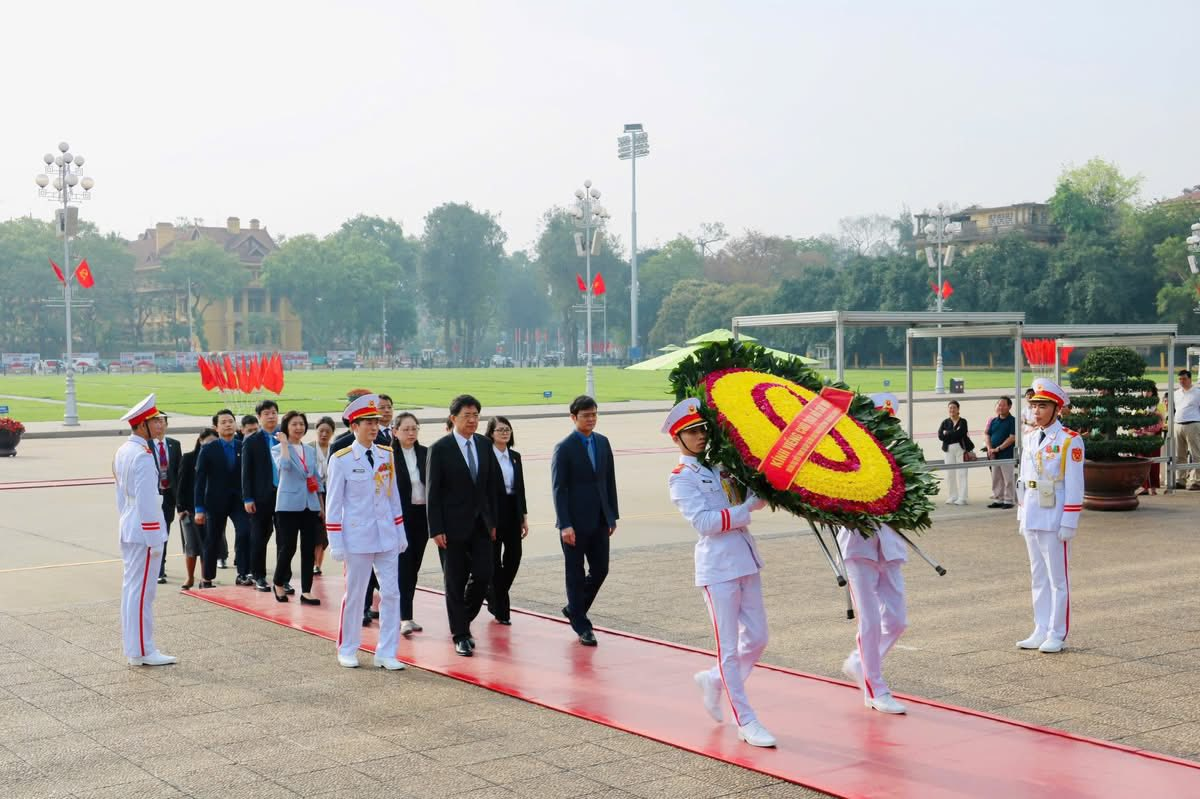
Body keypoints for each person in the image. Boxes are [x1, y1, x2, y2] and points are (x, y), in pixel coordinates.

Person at [663, 400, 775, 748]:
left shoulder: (721, 467)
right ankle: (746, 719)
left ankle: (714, 680)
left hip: (745, 558)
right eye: (692, 432)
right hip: (718, 568)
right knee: (727, 648)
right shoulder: (681, 478)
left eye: (702, 429)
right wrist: (745, 509)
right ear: (677, 438)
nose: (700, 436)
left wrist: (760, 492)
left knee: (758, 638)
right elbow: (705, 523)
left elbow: (742, 497)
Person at [325, 394, 408, 670]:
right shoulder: (342, 459)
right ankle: (347, 647)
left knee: (392, 593)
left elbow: (392, 496)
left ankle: (387, 651)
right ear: (354, 426)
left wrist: (400, 532)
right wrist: (335, 542)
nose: (374, 427)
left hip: (386, 535)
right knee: (356, 595)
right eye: (367, 422)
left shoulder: (387, 454)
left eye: (375, 421)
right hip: (357, 537)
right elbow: (334, 505)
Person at [426, 394, 501, 657]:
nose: (473, 420)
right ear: (453, 418)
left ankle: (462, 619)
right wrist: (435, 529)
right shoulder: (440, 448)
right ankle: (461, 634)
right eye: (467, 415)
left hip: (481, 525)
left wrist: (492, 522)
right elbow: (433, 493)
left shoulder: (483, 444)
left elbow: (490, 487)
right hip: (451, 527)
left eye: (476, 415)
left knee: (483, 575)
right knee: (454, 581)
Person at [1015, 378, 1084, 654]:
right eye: (1033, 406)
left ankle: (1057, 632)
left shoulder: (1069, 440)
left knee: (1058, 579)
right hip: (1032, 511)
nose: (1036, 411)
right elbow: (1023, 479)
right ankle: (1040, 628)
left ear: (1057, 409)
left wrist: (1070, 519)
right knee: (1038, 576)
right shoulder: (1031, 438)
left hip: (1055, 514)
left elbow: (1075, 484)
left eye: (1042, 406)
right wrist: (1021, 515)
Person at [551, 395, 619, 647]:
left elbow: (609, 480)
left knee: (601, 569)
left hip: (601, 519)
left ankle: (574, 608)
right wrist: (564, 524)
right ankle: (582, 625)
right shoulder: (564, 447)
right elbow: (559, 489)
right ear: (573, 418)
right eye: (585, 415)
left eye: (594, 414)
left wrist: (612, 514)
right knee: (575, 573)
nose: (591, 419)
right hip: (575, 523)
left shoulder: (602, 443)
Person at [114, 394, 175, 666]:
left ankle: (135, 648)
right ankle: (142, 650)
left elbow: (120, 496)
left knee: (132, 591)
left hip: (129, 525)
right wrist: (155, 538)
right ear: (142, 426)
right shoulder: (142, 455)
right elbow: (148, 502)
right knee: (142, 594)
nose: (159, 425)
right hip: (143, 531)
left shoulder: (124, 450)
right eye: (154, 421)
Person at [838, 523, 909, 715]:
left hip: (889, 546)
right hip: (857, 547)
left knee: (897, 622)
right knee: (870, 621)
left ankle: (859, 662)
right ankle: (875, 690)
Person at [194, 409, 251, 588]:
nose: (228, 424)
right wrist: (199, 509)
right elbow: (200, 481)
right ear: (216, 427)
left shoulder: (243, 446)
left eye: (230, 421)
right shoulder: (208, 449)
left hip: (239, 501)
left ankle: (242, 573)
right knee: (213, 539)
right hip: (215, 502)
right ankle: (207, 578)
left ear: (236, 425)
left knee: (244, 532)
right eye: (223, 422)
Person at [272, 411, 323, 605]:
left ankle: (307, 590)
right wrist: (285, 444)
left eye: (301, 424)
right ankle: (278, 582)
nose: (299, 428)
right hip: (288, 505)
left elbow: (316, 478)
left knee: (308, 547)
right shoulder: (278, 449)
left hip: (309, 504)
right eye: (294, 424)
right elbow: (284, 467)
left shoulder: (309, 450)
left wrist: (320, 504)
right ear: (287, 427)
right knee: (288, 547)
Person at [485, 415, 528, 625]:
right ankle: (501, 610)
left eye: (507, 429)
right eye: (500, 430)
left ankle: (493, 595)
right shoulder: (486, 456)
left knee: (514, 557)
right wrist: (488, 521)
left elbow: (520, 489)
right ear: (491, 434)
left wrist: (523, 517)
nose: (504, 433)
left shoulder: (515, 456)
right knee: (494, 562)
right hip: (494, 513)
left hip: (512, 511)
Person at [393, 412, 429, 636]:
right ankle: (404, 616)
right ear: (395, 431)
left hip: (421, 516)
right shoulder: (388, 455)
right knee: (404, 567)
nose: (411, 433)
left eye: (414, 428)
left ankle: (406, 613)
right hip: (399, 518)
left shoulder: (426, 453)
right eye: (406, 429)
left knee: (414, 567)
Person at [242, 399, 281, 593]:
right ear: (259, 417)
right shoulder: (252, 440)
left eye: (274, 412)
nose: (271, 416)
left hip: (284, 495)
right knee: (260, 536)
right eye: (266, 413)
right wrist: (248, 498)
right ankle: (259, 575)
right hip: (260, 497)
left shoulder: (285, 437)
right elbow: (246, 472)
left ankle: (282, 578)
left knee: (284, 538)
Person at [176, 428, 216, 590]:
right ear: (200, 441)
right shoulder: (189, 458)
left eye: (215, 442)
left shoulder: (217, 460)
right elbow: (181, 484)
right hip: (190, 510)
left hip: (211, 510)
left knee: (208, 546)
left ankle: (205, 578)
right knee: (191, 546)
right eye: (208, 442)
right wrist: (181, 508)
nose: (211, 445)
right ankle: (190, 577)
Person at [152, 415, 182, 584]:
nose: (158, 425)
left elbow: (178, 473)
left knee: (164, 533)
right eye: (155, 422)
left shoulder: (174, 445)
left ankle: (160, 567)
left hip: (169, 497)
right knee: (153, 533)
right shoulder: (146, 445)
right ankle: (155, 567)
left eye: (161, 422)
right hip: (152, 496)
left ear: (166, 425)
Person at [312, 416, 337, 575]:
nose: (324, 434)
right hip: (313, 493)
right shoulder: (308, 448)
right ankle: (314, 563)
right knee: (315, 531)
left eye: (328, 431)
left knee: (325, 533)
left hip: (331, 493)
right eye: (321, 431)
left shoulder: (335, 450)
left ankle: (318, 563)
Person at [985, 397, 1017, 509]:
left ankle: (1008, 500)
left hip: (1006, 454)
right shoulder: (994, 421)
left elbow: (1012, 438)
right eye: (999, 405)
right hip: (994, 455)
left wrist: (998, 448)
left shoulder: (1013, 421)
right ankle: (998, 499)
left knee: (1008, 479)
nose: (1000, 407)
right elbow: (987, 435)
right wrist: (989, 448)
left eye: (1003, 405)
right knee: (996, 478)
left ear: (1009, 407)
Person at [937, 400, 970, 506]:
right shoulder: (945, 422)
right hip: (948, 450)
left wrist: (947, 433)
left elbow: (960, 434)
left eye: (954, 408)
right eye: (950, 408)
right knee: (950, 474)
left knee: (962, 473)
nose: (952, 410)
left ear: (958, 409)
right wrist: (949, 434)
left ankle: (962, 497)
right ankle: (953, 496)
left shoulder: (963, 421)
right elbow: (940, 436)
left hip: (960, 449)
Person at [1173, 369, 1200, 490]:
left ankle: (1197, 480)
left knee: (1196, 453)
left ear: (1190, 379)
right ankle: (1181, 480)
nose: (1182, 381)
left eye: (1184, 379)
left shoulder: (1197, 393)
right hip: (1178, 425)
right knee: (1180, 454)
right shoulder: (1176, 393)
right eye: (1180, 379)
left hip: (1193, 424)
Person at [1136, 391, 1165, 496]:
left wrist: (1152, 432)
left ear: (1153, 392)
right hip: (1142, 437)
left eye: (1148, 391)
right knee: (1142, 461)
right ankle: (1145, 487)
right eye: (1144, 391)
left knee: (1154, 463)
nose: (1146, 393)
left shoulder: (1159, 405)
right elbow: (1135, 421)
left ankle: (1153, 488)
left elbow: (1162, 421)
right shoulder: (1140, 405)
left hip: (1154, 438)